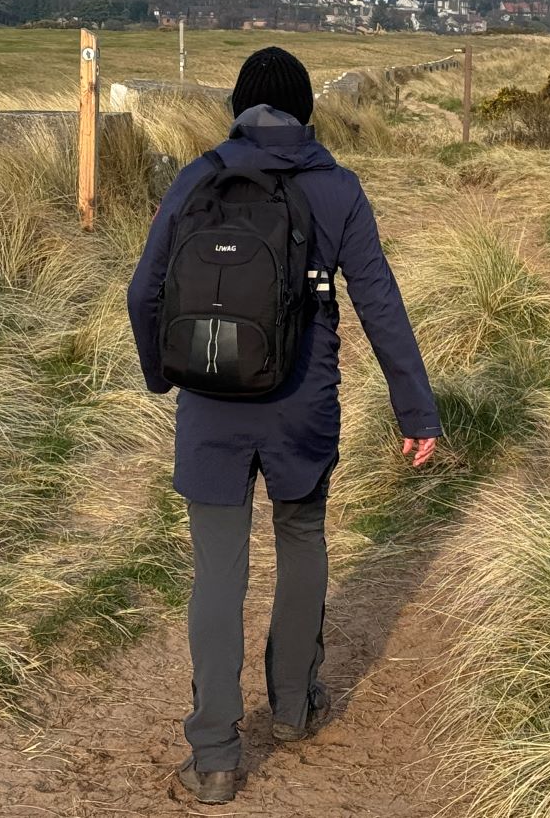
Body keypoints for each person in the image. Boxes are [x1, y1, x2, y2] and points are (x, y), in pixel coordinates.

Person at [126, 45, 442, 806]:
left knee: (216, 570)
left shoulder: (198, 176)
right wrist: (415, 410)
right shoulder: (338, 189)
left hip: (209, 401)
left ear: (238, 107)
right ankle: (296, 709)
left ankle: (213, 756)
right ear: (305, 111)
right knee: (301, 540)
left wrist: (163, 376)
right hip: (303, 401)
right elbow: (380, 307)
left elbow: (144, 292)